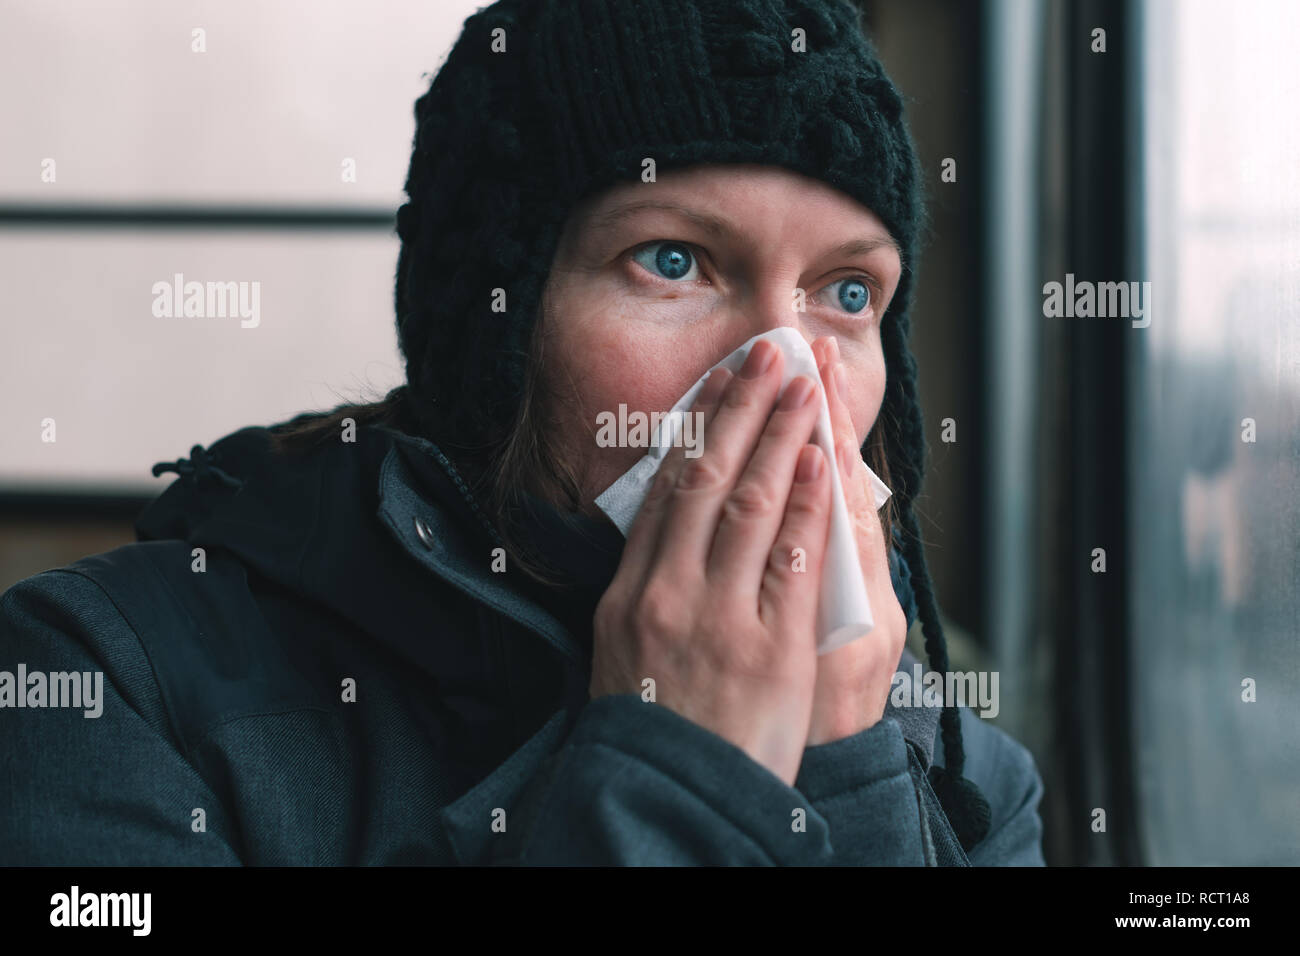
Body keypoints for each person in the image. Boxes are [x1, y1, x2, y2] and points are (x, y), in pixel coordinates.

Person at [0, 0, 1044, 865]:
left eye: (846, 291)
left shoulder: (966, 777)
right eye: (673, 260)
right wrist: (675, 771)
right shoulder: (102, 686)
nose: (783, 370)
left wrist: (844, 770)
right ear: (496, 324)